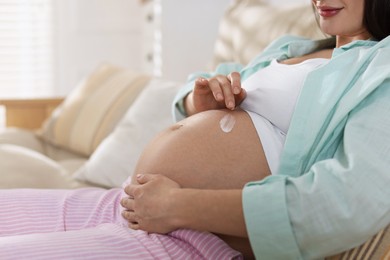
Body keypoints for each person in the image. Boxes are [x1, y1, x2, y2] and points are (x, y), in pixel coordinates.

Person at [0, 0, 389, 259]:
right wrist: (197, 101)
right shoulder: (292, 48)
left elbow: (344, 203)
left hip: (190, 240)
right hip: (128, 205)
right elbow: (205, 86)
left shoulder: (380, 68)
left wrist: (175, 206)